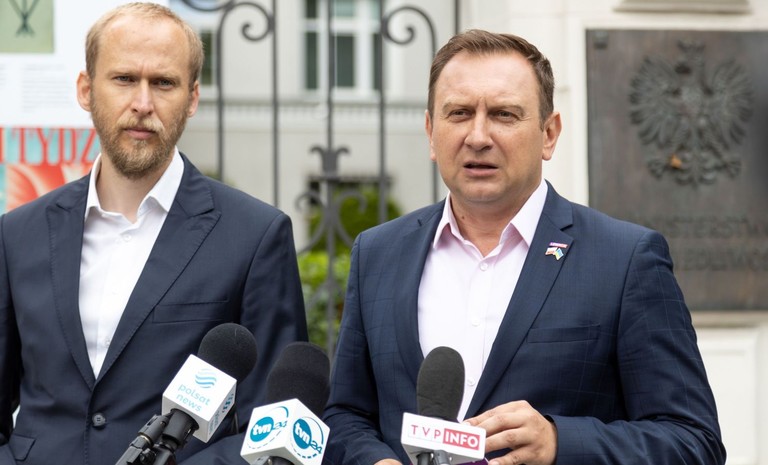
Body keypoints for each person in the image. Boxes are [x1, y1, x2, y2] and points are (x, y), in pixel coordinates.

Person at [322, 29, 725, 465]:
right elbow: (346, 415)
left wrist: (559, 442)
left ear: (549, 134)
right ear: (431, 131)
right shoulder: (378, 254)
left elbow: (693, 442)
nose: (478, 136)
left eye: (504, 114)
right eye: (459, 113)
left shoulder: (625, 260)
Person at [0, 3, 308, 464]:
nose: (143, 104)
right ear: (86, 89)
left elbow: (275, 424)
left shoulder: (255, 236)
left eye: (163, 83)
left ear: (192, 97)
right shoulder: (17, 234)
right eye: (124, 79)